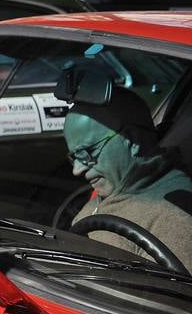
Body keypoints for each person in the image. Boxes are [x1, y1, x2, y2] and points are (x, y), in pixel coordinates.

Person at [63, 87, 192, 271]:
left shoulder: (177, 219)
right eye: (74, 157)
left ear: (131, 140)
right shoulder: (112, 189)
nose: (77, 169)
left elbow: (159, 299)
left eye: (86, 153)